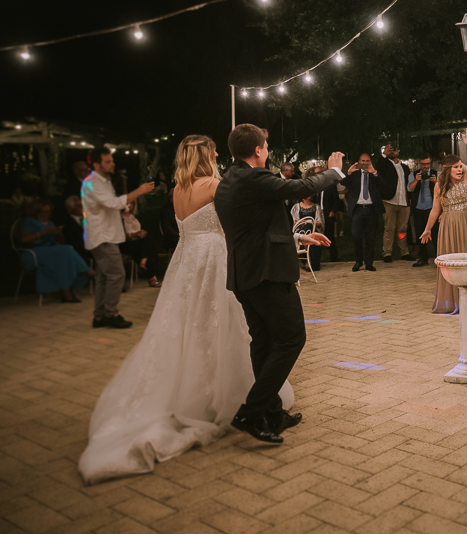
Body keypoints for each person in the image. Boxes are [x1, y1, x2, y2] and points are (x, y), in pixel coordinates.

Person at [79, 135, 298, 482]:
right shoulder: (214, 185)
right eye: (213, 152)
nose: (217, 156)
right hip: (216, 261)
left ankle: (235, 398)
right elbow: (235, 228)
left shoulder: (177, 191)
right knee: (234, 328)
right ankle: (244, 402)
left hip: (186, 265)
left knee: (189, 328)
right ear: (206, 156)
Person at [215, 125, 341, 444]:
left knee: (264, 341)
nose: (268, 150)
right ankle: (251, 412)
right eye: (267, 146)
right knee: (291, 339)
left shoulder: (229, 180)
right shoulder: (254, 178)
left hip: (245, 275)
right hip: (267, 274)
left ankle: (272, 413)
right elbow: (302, 186)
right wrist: (335, 170)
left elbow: (255, 227)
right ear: (257, 150)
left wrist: (299, 236)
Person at [82, 147, 155, 329]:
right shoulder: (92, 182)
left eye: (112, 160)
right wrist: (139, 191)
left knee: (104, 278)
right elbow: (113, 204)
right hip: (102, 237)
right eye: (108, 161)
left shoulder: (103, 181)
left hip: (105, 236)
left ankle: (99, 317)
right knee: (117, 275)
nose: (113, 163)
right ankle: (111, 314)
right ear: (97, 164)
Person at [420, 130, 467, 314]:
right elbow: (435, 209)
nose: (459, 170)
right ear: (447, 170)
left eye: (460, 166)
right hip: (448, 226)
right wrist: (428, 229)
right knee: (450, 264)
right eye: (455, 167)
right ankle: (449, 301)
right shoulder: (440, 185)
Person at [16, 198, 92, 303]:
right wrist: (45, 232)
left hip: (53, 251)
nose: (47, 214)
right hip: (33, 253)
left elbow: (61, 243)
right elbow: (23, 239)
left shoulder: (50, 223)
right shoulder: (29, 221)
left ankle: (67, 292)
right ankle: (88, 271)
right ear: (36, 211)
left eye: (49, 212)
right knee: (66, 250)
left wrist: (59, 233)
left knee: (65, 255)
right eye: (44, 212)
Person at [346, 153, 385, 272]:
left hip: (371, 209)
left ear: (370, 162)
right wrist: (349, 173)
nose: (365, 163)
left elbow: (384, 185)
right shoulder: (355, 174)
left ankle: (369, 263)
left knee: (371, 237)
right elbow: (343, 183)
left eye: (367, 161)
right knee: (356, 236)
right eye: (363, 160)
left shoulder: (375, 174)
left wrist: (374, 173)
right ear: (359, 162)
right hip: (357, 209)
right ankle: (358, 261)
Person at [375, 142, 413, 263]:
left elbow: (409, 184)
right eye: (389, 150)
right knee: (389, 228)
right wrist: (383, 155)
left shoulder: (405, 167)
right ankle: (387, 253)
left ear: (398, 152)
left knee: (402, 229)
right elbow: (377, 169)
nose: (392, 152)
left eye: (393, 150)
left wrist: (410, 199)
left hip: (404, 202)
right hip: (390, 202)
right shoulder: (385, 165)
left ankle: (404, 252)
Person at [119, 201, 164, 287]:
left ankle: (143, 263)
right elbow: (119, 234)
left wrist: (142, 233)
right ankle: (151, 277)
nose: (129, 205)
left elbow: (145, 229)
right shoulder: (118, 218)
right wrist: (134, 235)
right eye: (127, 203)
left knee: (148, 243)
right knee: (149, 247)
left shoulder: (136, 217)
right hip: (127, 243)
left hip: (140, 242)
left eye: (131, 204)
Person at [408, 155, 438, 266]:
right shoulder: (413, 174)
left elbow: (444, 188)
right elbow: (409, 188)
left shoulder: (435, 173)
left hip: (432, 208)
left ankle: (438, 258)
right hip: (418, 208)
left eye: (428, 164)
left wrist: (436, 181)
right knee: (420, 233)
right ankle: (423, 258)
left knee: (435, 234)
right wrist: (416, 179)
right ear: (419, 163)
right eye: (423, 164)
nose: (426, 166)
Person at [290, 188, 326, 271]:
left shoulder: (316, 207)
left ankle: (309, 260)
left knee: (309, 227)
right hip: (300, 230)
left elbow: (320, 222)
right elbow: (295, 221)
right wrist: (301, 222)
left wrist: (311, 222)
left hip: (313, 230)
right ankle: (308, 260)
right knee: (306, 230)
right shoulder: (296, 207)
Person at [56, 195, 89, 262]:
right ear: (71, 208)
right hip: (78, 250)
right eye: (79, 206)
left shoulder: (88, 218)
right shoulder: (65, 222)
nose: (82, 207)